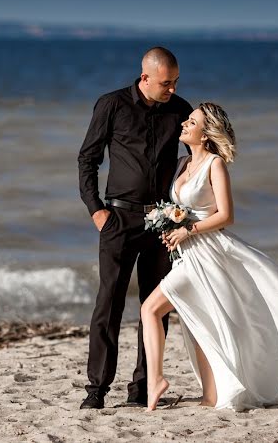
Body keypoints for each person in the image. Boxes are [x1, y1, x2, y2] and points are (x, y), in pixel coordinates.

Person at [140, 102, 278, 411]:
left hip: (206, 255)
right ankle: (210, 395)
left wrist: (188, 230)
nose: (184, 125)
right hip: (185, 255)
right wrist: (170, 225)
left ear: (205, 135)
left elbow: (226, 215)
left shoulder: (214, 165)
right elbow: (180, 210)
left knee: (151, 309)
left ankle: (156, 381)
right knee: (198, 323)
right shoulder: (181, 164)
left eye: (191, 123)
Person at [77, 46, 193, 409]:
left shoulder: (181, 110)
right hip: (119, 219)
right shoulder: (111, 105)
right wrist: (97, 211)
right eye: (165, 83)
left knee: (155, 305)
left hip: (162, 221)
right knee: (108, 303)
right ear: (145, 77)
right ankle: (96, 390)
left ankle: (142, 386)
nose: (171, 89)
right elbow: (88, 159)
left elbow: (199, 156)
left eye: (175, 82)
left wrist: (187, 209)